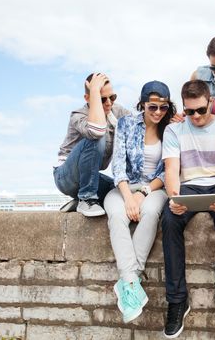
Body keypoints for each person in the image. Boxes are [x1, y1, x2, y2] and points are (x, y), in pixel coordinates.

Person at [161, 80, 215, 338]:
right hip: (188, 186)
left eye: (200, 110)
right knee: (168, 218)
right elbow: (171, 171)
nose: (195, 116)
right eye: (189, 111)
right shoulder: (174, 131)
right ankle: (177, 301)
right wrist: (175, 198)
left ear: (210, 102)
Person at [104, 81, 176, 323]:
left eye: (163, 107)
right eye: (152, 107)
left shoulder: (171, 129)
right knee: (116, 216)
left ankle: (128, 280)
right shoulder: (126, 124)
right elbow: (118, 165)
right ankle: (132, 282)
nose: (157, 112)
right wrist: (128, 196)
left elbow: (167, 172)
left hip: (154, 187)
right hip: (124, 185)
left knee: (152, 213)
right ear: (143, 104)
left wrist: (142, 193)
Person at [54, 73, 130, 217]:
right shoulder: (78, 115)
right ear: (88, 98)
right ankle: (87, 198)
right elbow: (96, 131)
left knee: (118, 189)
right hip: (66, 177)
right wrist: (94, 91)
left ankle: (79, 201)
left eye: (112, 97)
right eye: (102, 99)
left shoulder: (117, 111)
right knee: (97, 136)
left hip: (90, 177)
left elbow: (142, 124)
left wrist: (174, 118)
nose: (109, 103)